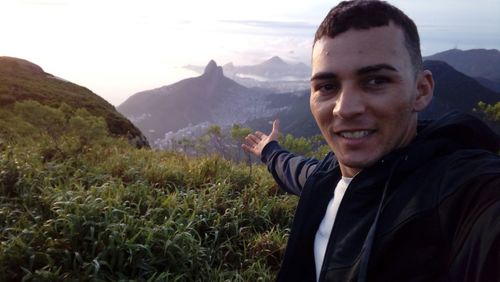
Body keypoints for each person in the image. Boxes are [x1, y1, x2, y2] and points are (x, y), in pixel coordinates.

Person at [242, 1, 500, 281]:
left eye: (376, 81)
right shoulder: (326, 180)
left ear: (421, 91)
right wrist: (269, 150)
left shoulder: (465, 193)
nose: (345, 108)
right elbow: (297, 171)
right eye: (327, 86)